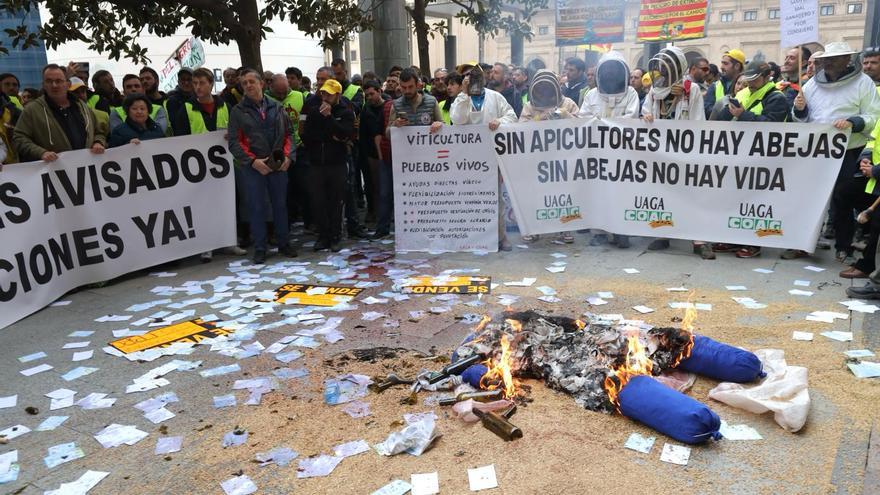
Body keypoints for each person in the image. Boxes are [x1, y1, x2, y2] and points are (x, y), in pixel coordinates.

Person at [792, 42, 880, 264]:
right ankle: (801, 243)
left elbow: (874, 117)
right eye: (827, 58)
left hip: (849, 149)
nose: (828, 62)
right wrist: (799, 108)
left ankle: (843, 246)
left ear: (847, 60)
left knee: (842, 198)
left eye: (835, 58)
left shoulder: (863, 83)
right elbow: (801, 119)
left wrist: (853, 122)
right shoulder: (812, 83)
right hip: (817, 149)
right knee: (810, 197)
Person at [712, 60, 791, 259]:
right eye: (749, 79)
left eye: (755, 80)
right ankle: (732, 238)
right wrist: (728, 110)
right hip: (738, 155)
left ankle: (753, 243)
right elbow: (723, 120)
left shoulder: (776, 98)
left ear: (767, 77)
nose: (751, 83)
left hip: (762, 158)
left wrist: (743, 114)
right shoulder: (744, 93)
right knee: (734, 199)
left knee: (755, 202)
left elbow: (772, 126)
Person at [642, 47, 713, 260]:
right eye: (660, 67)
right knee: (663, 194)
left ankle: (699, 240)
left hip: (685, 153)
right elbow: (647, 112)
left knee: (692, 196)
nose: (662, 71)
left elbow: (698, 122)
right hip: (660, 153)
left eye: (666, 67)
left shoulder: (691, 90)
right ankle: (664, 234)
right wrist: (646, 118)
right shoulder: (655, 91)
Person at [228, 69, 296, 263]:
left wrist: (288, 157)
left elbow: (289, 134)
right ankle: (260, 248)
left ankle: (284, 243)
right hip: (253, 167)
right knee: (256, 208)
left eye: (251, 81)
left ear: (261, 84)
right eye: (244, 83)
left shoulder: (277, 106)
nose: (248, 85)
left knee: (280, 205)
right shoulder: (238, 112)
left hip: (278, 164)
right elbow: (234, 142)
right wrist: (252, 161)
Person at [451, 64, 518, 251]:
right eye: (467, 76)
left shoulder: (495, 97)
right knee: (470, 199)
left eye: (475, 76)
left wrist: (500, 121)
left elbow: (512, 116)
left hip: (492, 157)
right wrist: (464, 94)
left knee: (495, 198)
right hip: (467, 160)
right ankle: (474, 238)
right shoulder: (461, 98)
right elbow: (457, 120)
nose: (471, 79)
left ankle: (501, 236)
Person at [578, 51, 641, 249]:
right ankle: (599, 232)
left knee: (622, 193)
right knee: (598, 193)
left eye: (615, 70)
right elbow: (583, 119)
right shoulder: (591, 95)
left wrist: (606, 125)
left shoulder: (630, 93)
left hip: (622, 152)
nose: (611, 74)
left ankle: (622, 231)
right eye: (608, 70)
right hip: (597, 155)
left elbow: (631, 119)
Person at [517, 70, 580, 244]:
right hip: (537, 158)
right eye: (541, 88)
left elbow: (583, 124)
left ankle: (564, 229)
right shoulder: (530, 106)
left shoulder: (568, 103)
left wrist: (563, 114)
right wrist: (541, 117)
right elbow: (521, 128)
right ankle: (533, 229)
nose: (545, 92)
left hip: (563, 157)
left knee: (563, 194)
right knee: (535, 194)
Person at [382, 68, 444, 241]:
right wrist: (395, 125)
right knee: (409, 198)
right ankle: (411, 233)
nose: (407, 91)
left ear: (418, 84)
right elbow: (387, 132)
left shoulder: (431, 102)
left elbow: (444, 125)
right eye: (404, 88)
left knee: (429, 197)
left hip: (428, 162)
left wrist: (439, 125)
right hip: (406, 163)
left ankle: (432, 230)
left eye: (410, 87)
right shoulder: (397, 104)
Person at [13, 64, 107, 162]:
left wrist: (98, 142)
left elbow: (98, 131)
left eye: (58, 81)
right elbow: (19, 138)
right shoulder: (32, 110)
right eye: (49, 81)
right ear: (43, 85)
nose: (54, 85)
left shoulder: (83, 107)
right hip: (54, 171)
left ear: (67, 84)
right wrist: (41, 152)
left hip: (86, 168)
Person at [302, 79, 355, 252]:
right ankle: (323, 236)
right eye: (323, 92)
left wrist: (330, 119)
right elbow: (307, 134)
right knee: (318, 201)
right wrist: (329, 135)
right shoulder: (313, 110)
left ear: (337, 95)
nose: (324, 96)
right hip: (317, 163)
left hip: (337, 163)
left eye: (329, 94)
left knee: (336, 201)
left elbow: (345, 133)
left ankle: (335, 236)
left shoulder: (346, 112)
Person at [360, 79, 389, 225]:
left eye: (372, 94)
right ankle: (375, 212)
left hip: (388, 152)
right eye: (367, 95)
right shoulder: (366, 110)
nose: (369, 97)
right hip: (371, 153)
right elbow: (363, 133)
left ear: (379, 91)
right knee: (373, 185)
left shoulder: (390, 106)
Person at [704, 49, 745, 118]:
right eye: (722, 63)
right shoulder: (714, 86)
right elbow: (707, 110)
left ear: (737, 66)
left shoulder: (749, 87)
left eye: (725, 63)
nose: (721, 67)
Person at [167, 68, 195, 134]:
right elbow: (176, 125)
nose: (186, 83)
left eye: (189, 79)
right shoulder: (172, 100)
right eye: (183, 79)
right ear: (178, 81)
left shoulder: (200, 97)